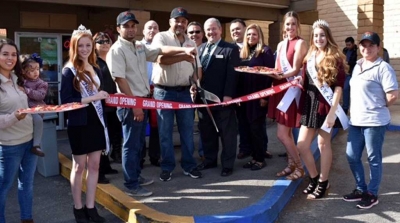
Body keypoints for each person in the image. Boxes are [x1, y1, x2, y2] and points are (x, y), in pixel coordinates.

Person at [107, 10, 198, 195]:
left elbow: (159, 51)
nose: (131, 29)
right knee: (131, 145)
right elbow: (120, 80)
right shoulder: (117, 49)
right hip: (131, 103)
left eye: (133, 26)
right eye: (126, 26)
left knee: (139, 143)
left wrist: (183, 50)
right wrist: (135, 105)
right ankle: (131, 184)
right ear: (118, 29)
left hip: (143, 100)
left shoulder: (138, 46)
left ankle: (136, 176)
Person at [342, 32, 398, 209]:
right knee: (352, 156)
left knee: (373, 158)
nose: (367, 48)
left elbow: (393, 95)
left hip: (374, 122)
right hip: (356, 121)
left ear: (378, 48)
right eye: (363, 45)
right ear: (359, 47)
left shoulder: (383, 68)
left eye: (371, 45)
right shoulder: (357, 65)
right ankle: (360, 188)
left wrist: (378, 106)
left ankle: (372, 193)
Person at [60, 25, 109, 222]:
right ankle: (78, 208)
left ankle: (91, 207)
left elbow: (103, 93)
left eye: (88, 45)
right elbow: (66, 102)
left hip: (96, 122)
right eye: (81, 45)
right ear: (74, 46)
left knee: (95, 165)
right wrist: (92, 97)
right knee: (79, 167)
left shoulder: (96, 67)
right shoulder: (68, 71)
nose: (85, 49)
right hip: (79, 123)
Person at [297, 19, 348, 200]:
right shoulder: (309, 56)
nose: (319, 38)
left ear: (328, 37)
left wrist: (332, 113)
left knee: (323, 144)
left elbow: (339, 88)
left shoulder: (335, 57)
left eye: (322, 35)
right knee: (302, 145)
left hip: (326, 105)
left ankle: (323, 182)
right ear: (312, 38)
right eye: (316, 35)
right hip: (310, 104)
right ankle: (313, 178)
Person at [151, 7, 203, 182]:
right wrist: (183, 55)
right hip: (163, 92)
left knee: (187, 132)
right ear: (170, 21)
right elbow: (160, 58)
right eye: (177, 20)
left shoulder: (191, 41)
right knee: (165, 133)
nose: (180, 24)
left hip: (184, 93)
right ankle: (167, 167)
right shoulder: (161, 37)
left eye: (183, 21)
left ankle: (189, 165)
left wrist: (196, 83)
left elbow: (195, 67)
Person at [195, 18, 239, 177]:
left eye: (214, 29)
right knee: (207, 131)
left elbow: (232, 75)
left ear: (220, 30)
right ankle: (209, 160)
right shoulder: (200, 49)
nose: (211, 32)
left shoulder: (230, 49)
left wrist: (228, 95)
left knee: (227, 133)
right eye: (208, 30)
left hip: (222, 99)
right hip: (203, 101)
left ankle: (227, 164)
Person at [268, 11, 307, 180]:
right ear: (284, 26)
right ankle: (291, 164)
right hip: (280, 88)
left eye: (293, 24)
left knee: (282, 134)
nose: (290, 27)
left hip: (291, 91)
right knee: (288, 134)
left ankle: (300, 167)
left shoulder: (300, 43)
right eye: (287, 24)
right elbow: (278, 67)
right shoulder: (280, 45)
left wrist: (280, 76)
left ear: (298, 26)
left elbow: (296, 69)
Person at [0, 39, 36, 223]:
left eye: (13, 54)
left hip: (29, 142)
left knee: (27, 184)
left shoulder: (17, 80)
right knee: (3, 188)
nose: (10, 58)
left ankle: (27, 219)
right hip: (9, 146)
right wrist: (14, 116)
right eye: (5, 54)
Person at [239, 24, 274, 170]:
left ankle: (260, 159)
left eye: (254, 34)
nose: (250, 37)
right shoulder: (245, 52)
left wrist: (265, 97)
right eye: (248, 34)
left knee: (257, 128)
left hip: (259, 96)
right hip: (245, 97)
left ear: (259, 35)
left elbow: (270, 76)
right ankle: (254, 157)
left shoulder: (265, 51)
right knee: (249, 129)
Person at [93, 32, 120, 184]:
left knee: (115, 135)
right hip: (101, 106)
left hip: (116, 104)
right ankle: (100, 171)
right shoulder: (93, 63)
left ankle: (108, 164)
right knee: (102, 138)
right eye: (100, 41)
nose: (104, 43)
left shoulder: (113, 59)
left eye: (107, 41)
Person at [140, 20, 161, 168]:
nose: (152, 30)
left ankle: (155, 157)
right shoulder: (136, 47)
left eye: (155, 28)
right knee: (139, 128)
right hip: (140, 93)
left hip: (157, 92)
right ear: (143, 31)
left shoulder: (161, 48)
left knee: (156, 127)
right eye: (149, 28)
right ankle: (139, 158)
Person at [230, 19, 252, 160]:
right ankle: (244, 148)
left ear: (244, 29)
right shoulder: (229, 49)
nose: (235, 32)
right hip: (238, 94)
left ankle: (262, 148)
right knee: (242, 122)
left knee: (258, 123)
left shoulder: (255, 46)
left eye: (238, 29)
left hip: (255, 92)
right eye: (232, 30)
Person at [20, 53, 48, 157]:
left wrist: (26, 90)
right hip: (24, 109)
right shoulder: (20, 81)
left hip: (35, 109)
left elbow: (40, 96)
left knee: (38, 120)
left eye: (37, 69)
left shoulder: (41, 83)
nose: (36, 72)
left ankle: (36, 145)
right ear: (23, 71)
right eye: (32, 70)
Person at [187, 21, 205, 160]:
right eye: (191, 32)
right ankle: (188, 155)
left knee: (203, 125)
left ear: (202, 34)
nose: (194, 34)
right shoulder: (184, 48)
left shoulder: (207, 48)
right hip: (185, 93)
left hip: (204, 93)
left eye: (197, 32)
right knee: (187, 126)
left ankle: (203, 153)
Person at [342, 37, 358, 115]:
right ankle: (345, 108)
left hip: (352, 74)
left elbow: (356, 62)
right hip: (345, 73)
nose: (348, 46)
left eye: (349, 45)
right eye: (347, 45)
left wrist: (348, 62)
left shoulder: (356, 51)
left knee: (347, 89)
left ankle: (347, 108)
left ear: (353, 43)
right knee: (345, 90)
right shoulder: (345, 50)